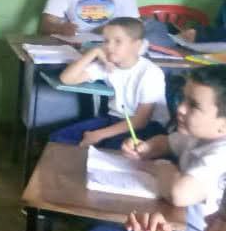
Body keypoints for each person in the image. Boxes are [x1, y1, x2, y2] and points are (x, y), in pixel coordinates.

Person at [83, 66, 226, 231]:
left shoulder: (221, 155)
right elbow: (167, 142)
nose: (181, 108)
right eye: (183, 99)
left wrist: (162, 166)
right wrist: (146, 148)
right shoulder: (197, 135)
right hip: (174, 223)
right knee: (101, 228)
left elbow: (180, 194)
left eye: (194, 105)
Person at [51, 16, 169, 148]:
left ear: (137, 45)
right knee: (58, 139)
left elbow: (141, 121)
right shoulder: (108, 64)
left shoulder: (150, 72)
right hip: (115, 120)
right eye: (106, 41)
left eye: (118, 41)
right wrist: (94, 52)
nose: (109, 46)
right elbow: (67, 79)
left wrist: (98, 135)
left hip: (147, 127)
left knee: (109, 148)